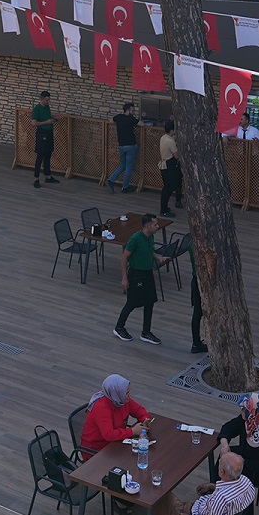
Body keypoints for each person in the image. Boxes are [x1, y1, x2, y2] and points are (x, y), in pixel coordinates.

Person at [114, 213, 170, 345]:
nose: (157, 226)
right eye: (155, 224)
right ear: (147, 226)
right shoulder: (136, 239)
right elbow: (124, 257)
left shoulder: (150, 237)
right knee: (132, 302)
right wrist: (124, 278)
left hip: (147, 273)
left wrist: (159, 258)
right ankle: (119, 327)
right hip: (136, 274)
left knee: (150, 302)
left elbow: (150, 250)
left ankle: (146, 332)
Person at [172, 451, 255, 515]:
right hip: (210, 508)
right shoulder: (247, 482)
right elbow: (232, 491)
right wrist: (213, 486)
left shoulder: (220, 500)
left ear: (222, 472)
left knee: (168, 504)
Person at [79, 373, 151, 455]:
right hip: (96, 451)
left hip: (115, 443)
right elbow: (109, 434)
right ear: (117, 393)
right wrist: (133, 431)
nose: (129, 395)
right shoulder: (101, 408)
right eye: (126, 393)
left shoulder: (121, 400)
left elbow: (138, 410)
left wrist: (145, 419)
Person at [108, 103, 140, 194]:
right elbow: (142, 124)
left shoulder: (118, 117)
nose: (134, 112)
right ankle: (125, 187)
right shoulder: (131, 119)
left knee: (123, 164)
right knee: (129, 166)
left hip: (121, 145)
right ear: (128, 110)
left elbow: (111, 121)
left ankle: (111, 180)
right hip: (131, 145)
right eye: (133, 110)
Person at [32, 90, 59, 188]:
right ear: (42, 99)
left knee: (48, 154)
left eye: (49, 100)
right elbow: (34, 123)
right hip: (42, 133)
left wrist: (53, 119)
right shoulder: (37, 109)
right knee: (40, 156)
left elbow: (47, 118)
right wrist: (47, 122)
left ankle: (48, 176)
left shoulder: (47, 107)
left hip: (49, 133)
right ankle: (36, 179)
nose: (48, 102)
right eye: (47, 100)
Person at [159, 120, 182, 217]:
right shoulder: (171, 141)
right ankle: (163, 210)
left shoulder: (163, 138)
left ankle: (164, 207)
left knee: (166, 187)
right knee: (168, 188)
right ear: (172, 130)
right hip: (170, 165)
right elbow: (176, 156)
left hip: (163, 164)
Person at [188, 240, 206, 354]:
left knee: (197, 313)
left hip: (197, 280)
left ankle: (196, 342)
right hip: (201, 281)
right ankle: (196, 343)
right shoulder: (199, 245)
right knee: (198, 313)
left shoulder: (192, 243)